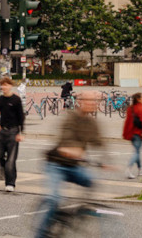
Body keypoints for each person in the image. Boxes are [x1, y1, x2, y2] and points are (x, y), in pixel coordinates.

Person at [35, 91, 105, 237]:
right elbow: (66, 142)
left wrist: (107, 162)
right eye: (89, 100)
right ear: (80, 102)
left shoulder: (92, 122)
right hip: (56, 165)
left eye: (95, 101)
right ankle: (41, 234)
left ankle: (76, 211)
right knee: (54, 199)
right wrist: (72, 151)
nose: (93, 104)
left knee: (90, 181)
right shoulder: (70, 118)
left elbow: (100, 142)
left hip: (74, 166)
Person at [0, 76, 25, 191]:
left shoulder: (16, 100)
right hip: (1, 132)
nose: (3, 87)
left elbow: (21, 117)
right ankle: (4, 168)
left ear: (10, 86)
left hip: (13, 131)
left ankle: (10, 183)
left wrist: (21, 132)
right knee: (0, 156)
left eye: (6, 85)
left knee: (11, 160)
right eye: (2, 85)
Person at [122, 92, 142, 178]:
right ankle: (128, 169)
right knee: (136, 152)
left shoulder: (130, 108)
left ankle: (140, 169)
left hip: (131, 133)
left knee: (137, 151)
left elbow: (127, 121)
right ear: (138, 99)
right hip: (138, 133)